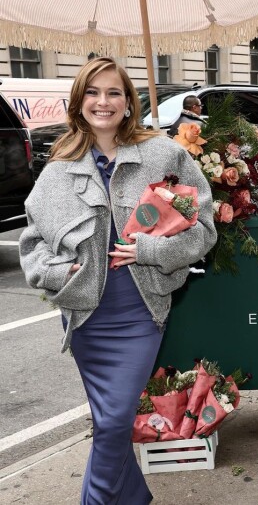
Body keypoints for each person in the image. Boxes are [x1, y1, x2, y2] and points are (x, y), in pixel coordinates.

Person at [19, 57, 217, 504]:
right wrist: (55, 271)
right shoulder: (58, 168)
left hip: (139, 314)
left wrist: (151, 250)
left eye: (113, 92)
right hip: (87, 317)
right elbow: (31, 245)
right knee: (111, 421)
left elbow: (204, 230)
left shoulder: (165, 155)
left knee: (111, 425)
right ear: (79, 102)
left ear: (129, 102)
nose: (102, 102)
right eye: (92, 92)